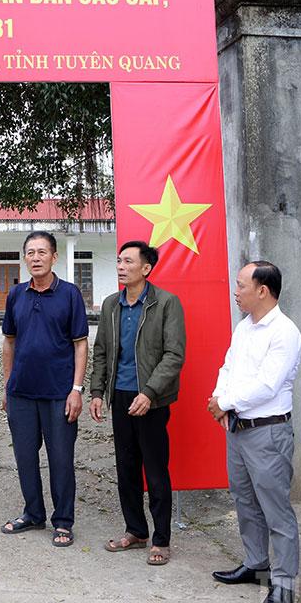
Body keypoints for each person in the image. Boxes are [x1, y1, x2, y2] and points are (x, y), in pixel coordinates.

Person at [208, 260, 301, 603]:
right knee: (245, 500)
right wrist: (219, 398)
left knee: (276, 508)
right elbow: (228, 367)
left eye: (241, 285)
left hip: (268, 432)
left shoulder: (284, 332)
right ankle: (256, 563)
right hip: (238, 429)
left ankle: (284, 582)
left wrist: (224, 403)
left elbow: (268, 384)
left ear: (263, 290)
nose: (236, 292)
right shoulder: (245, 327)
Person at [89, 240, 186, 566]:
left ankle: (161, 539)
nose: (121, 266)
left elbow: (174, 355)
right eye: (119, 261)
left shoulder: (166, 303)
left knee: (155, 471)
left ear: (146, 268)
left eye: (128, 261)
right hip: (121, 396)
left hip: (152, 400)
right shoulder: (110, 305)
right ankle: (136, 530)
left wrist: (150, 392)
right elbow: (101, 351)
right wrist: (97, 392)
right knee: (126, 468)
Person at [0, 231, 89, 548]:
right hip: (21, 392)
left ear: (54, 257)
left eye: (42, 252)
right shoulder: (16, 295)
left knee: (61, 459)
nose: (35, 258)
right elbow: (9, 341)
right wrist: (7, 385)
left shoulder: (70, 294)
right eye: (30, 252)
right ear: (24, 258)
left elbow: (80, 344)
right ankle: (33, 513)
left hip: (58, 393)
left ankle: (63, 521)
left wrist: (76, 389)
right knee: (25, 457)